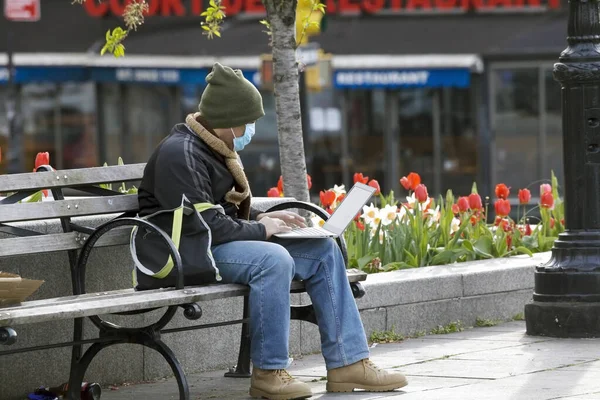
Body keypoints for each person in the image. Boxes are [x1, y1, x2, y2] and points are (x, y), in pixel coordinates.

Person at [135, 63, 408, 400]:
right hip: (183, 252)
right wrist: (261, 229)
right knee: (273, 259)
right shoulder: (182, 154)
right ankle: (268, 373)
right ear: (229, 121)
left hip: (207, 243)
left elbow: (219, 212)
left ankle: (348, 363)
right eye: (247, 122)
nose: (250, 129)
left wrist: (269, 217)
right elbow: (207, 225)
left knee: (322, 251)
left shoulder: (213, 147)